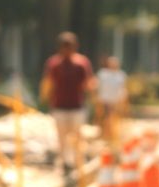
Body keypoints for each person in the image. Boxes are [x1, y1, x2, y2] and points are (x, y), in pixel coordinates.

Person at [41, 32, 94, 171]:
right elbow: (48, 83)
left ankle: (77, 161)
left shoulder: (81, 63)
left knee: (77, 137)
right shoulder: (54, 64)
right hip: (59, 106)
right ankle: (65, 162)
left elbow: (88, 84)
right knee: (61, 137)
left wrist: (93, 96)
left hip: (77, 106)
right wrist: (44, 99)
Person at [95, 55, 128, 144]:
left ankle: (113, 137)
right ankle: (104, 136)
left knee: (114, 120)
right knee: (103, 119)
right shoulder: (102, 74)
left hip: (116, 101)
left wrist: (124, 102)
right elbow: (98, 87)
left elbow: (123, 88)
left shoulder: (121, 75)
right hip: (104, 101)